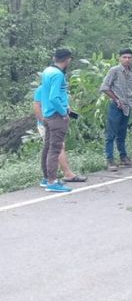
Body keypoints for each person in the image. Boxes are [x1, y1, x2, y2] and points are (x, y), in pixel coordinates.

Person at [33, 85, 86, 185]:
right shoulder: (42, 88)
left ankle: (48, 177)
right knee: (58, 146)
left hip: (55, 121)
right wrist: (42, 121)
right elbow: (36, 106)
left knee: (51, 148)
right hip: (47, 122)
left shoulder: (57, 89)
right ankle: (66, 174)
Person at [39, 49, 75, 193]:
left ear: (54, 58)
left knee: (47, 147)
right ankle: (52, 182)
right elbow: (54, 97)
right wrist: (63, 112)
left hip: (47, 114)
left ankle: (46, 177)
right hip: (56, 116)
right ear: (68, 59)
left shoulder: (47, 71)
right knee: (55, 149)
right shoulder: (58, 74)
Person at [100, 48, 132, 172]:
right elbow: (105, 87)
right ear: (120, 58)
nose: (127, 59)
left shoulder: (131, 72)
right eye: (124, 57)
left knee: (122, 133)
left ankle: (124, 158)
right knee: (111, 134)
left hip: (127, 106)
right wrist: (116, 99)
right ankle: (110, 160)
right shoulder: (115, 70)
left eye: (129, 57)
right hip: (116, 106)